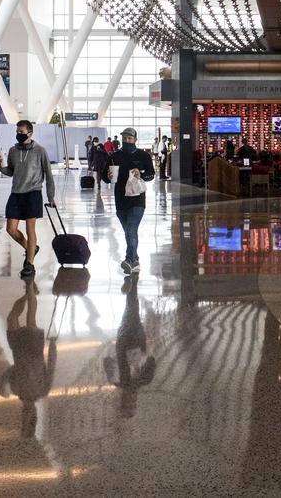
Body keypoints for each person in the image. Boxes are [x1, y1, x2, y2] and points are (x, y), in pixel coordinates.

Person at [0, 120, 55, 278]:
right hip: (16, 193)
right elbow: (11, 171)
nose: (19, 135)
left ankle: (30, 264)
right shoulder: (13, 151)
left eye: (21, 132)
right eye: (17, 131)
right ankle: (31, 248)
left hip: (33, 193)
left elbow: (49, 175)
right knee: (11, 229)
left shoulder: (40, 151)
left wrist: (51, 196)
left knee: (30, 229)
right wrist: (1, 166)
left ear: (30, 133)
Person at [0, 279, 56, 437]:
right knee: (31, 317)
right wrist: (53, 346)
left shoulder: (16, 390)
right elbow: (51, 367)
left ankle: (28, 293)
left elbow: (11, 371)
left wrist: (2, 384)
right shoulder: (43, 390)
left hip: (18, 349)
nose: (25, 413)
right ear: (34, 413)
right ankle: (30, 284)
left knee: (12, 318)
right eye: (28, 417)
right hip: (33, 349)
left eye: (23, 417)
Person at [103, 273, 156, 418]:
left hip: (126, 340)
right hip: (135, 340)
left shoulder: (116, 380)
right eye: (133, 404)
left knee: (131, 310)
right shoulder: (144, 379)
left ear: (122, 400)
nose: (131, 400)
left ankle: (132, 282)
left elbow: (107, 360)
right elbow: (151, 360)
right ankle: (132, 282)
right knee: (132, 310)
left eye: (128, 403)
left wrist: (111, 349)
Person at [105, 128, 156, 274]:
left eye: (129, 138)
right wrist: (107, 176)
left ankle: (128, 259)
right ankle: (135, 259)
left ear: (135, 140)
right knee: (128, 231)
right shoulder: (114, 156)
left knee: (131, 228)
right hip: (120, 199)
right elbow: (104, 175)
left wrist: (142, 173)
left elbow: (151, 174)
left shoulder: (143, 155)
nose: (126, 141)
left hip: (137, 199)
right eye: (124, 138)